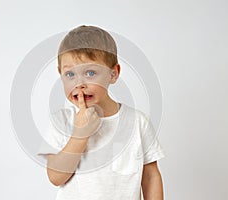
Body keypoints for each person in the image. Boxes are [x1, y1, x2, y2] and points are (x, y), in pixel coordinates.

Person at [37, 25, 166, 200]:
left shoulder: (137, 122)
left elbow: (150, 176)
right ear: (60, 73)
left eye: (90, 73)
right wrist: (80, 134)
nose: (79, 83)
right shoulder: (62, 122)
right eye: (70, 74)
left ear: (113, 74)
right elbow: (55, 177)